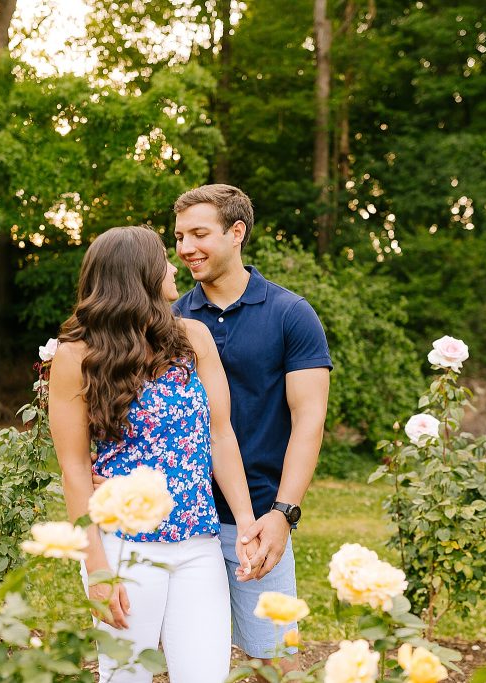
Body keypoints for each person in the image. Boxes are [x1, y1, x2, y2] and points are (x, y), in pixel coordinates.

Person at [48, 226, 258, 683]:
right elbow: (73, 468)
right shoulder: (76, 355)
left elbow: (220, 436)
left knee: (205, 675)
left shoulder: (193, 338)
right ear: (137, 274)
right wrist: (98, 568)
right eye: (163, 257)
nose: (174, 264)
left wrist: (244, 520)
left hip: (197, 541)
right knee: (125, 676)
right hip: (124, 545)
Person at [171, 184, 332, 665]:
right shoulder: (170, 319)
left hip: (257, 520)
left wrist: (284, 513)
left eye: (199, 234)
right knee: (190, 663)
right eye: (179, 237)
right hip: (182, 522)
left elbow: (309, 418)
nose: (185, 248)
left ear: (236, 232)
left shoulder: (291, 314)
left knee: (275, 661)